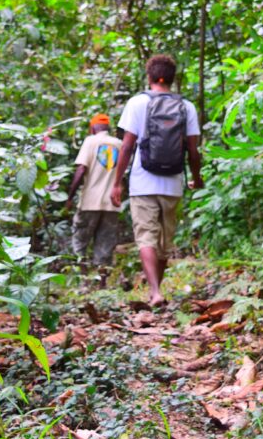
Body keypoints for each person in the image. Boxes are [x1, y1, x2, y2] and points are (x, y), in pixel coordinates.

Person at [110, 55, 204, 307]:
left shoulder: (137, 103)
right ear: (172, 79)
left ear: (149, 77)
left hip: (143, 183)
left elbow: (127, 146)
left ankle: (154, 292)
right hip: (173, 184)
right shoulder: (187, 107)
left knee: (146, 237)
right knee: (163, 242)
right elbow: (194, 151)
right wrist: (196, 178)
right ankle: (156, 290)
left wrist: (117, 182)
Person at [64, 113, 123, 286]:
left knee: (80, 240)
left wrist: (70, 197)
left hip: (90, 202)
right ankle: (101, 284)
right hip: (112, 204)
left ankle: (83, 281)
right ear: (108, 128)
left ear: (92, 127)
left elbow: (81, 169)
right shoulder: (119, 144)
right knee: (105, 243)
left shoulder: (90, 141)